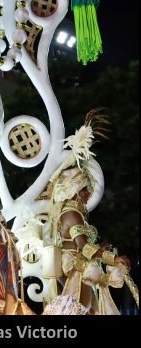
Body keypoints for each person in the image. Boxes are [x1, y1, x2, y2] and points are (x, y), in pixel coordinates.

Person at [46, 113, 133, 314]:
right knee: (84, 310)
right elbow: (83, 247)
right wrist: (112, 259)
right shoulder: (71, 214)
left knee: (91, 310)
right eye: (86, 189)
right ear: (75, 189)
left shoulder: (76, 213)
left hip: (81, 269)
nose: (89, 193)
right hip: (75, 270)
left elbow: (85, 245)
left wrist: (103, 248)